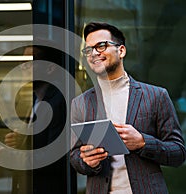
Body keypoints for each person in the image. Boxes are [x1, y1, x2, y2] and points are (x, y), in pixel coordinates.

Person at [70, 22, 186, 194]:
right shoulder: (80, 103)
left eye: (101, 46)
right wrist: (87, 161)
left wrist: (143, 142)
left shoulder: (156, 96)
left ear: (121, 51)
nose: (94, 53)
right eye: (88, 50)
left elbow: (178, 153)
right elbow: (74, 157)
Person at [5, 45, 75, 194]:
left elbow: (55, 156)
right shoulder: (33, 100)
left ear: (50, 68)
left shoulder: (60, 102)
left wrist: (12, 157)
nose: (23, 67)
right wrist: (22, 141)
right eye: (22, 62)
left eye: (30, 61)